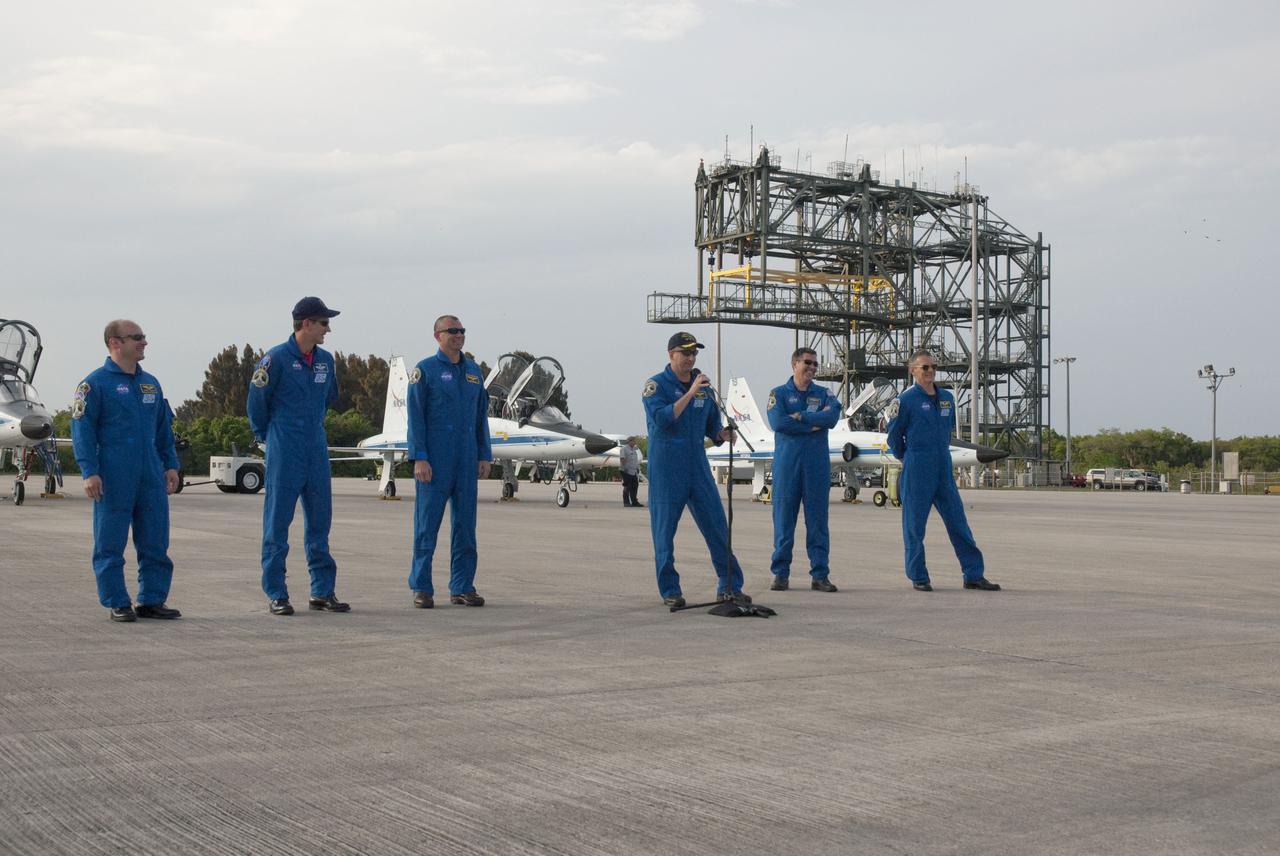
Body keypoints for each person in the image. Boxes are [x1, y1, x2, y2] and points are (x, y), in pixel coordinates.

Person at [71, 320, 182, 622]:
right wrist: (89, 471)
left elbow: (163, 429)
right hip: (113, 474)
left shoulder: (151, 384)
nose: (144, 342)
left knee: (156, 540)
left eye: (144, 336)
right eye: (137, 338)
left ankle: (152, 599)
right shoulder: (94, 384)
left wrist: (171, 464)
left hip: (150, 474)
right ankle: (117, 600)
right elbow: (82, 430)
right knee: (110, 541)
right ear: (115, 343)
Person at [247, 297, 349, 616]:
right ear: (306, 324)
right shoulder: (274, 359)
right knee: (277, 523)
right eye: (323, 323)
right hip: (284, 444)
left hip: (315, 445)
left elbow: (329, 398)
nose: (327, 329)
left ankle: (322, 591)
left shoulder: (326, 361)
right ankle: (277, 592)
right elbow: (256, 404)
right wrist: (268, 437)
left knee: (320, 522)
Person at [641, 331, 748, 607]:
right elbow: (663, 419)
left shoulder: (705, 390)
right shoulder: (656, 386)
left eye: (694, 353)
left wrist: (722, 434)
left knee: (717, 528)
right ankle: (670, 591)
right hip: (668, 470)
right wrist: (690, 392)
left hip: (697, 468)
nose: (690, 358)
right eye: (685, 353)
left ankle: (730, 585)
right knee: (664, 534)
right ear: (671, 354)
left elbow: (711, 425)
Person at [886, 350, 1000, 592]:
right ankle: (919, 576)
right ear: (913, 370)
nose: (930, 371)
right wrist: (907, 456)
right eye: (925, 367)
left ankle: (973, 574)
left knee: (959, 523)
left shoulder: (947, 397)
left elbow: (947, 430)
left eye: (933, 367)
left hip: (942, 467)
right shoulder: (904, 401)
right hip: (917, 466)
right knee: (914, 527)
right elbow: (894, 436)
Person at [406, 316, 493, 608]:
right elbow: (415, 418)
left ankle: (462, 586)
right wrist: (419, 457)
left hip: (466, 460)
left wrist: (484, 454)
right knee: (426, 525)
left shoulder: (473, 372)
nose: (459, 335)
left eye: (462, 331)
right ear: (437, 336)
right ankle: (421, 587)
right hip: (435, 460)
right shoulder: (425, 371)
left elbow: (481, 417)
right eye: (452, 331)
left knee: (466, 526)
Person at [766, 347, 841, 592]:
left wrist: (801, 418)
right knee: (784, 521)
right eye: (807, 362)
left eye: (815, 364)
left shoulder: (824, 393)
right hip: (788, 466)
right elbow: (778, 423)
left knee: (818, 522)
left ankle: (820, 575)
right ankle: (780, 574)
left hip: (816, 467)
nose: (812, 368)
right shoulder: (778, 393)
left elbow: (832, 419)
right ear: (794, 364)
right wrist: (813, 424)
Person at [619, 437, 643, 507]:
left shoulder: (634, 449)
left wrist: (637, 468)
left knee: (635, 486)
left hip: (633, 471)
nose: (635, 442)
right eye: (633, 441)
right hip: (626, 470)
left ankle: (634, 502)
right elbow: (622, 459)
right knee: (627, 486)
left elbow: (634, 460)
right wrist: (625, 468)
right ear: (629, 441)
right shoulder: (624, 449)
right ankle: (626, 502)